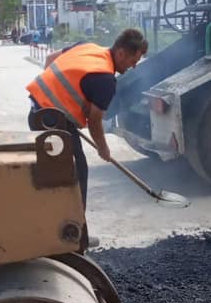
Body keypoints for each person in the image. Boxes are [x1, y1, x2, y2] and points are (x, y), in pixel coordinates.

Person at [26, 27, 148, 248]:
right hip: (52, 122)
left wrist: (51, 97)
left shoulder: (89, 48)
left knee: (59, 175)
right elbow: (94, 121)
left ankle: (58, 232)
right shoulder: (105, 79)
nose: (133, 66)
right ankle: (76, 238)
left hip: (37, 112)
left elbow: (51, 59)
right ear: (121, 53)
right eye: (133, 59)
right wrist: (103, 149)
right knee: (77, 173)